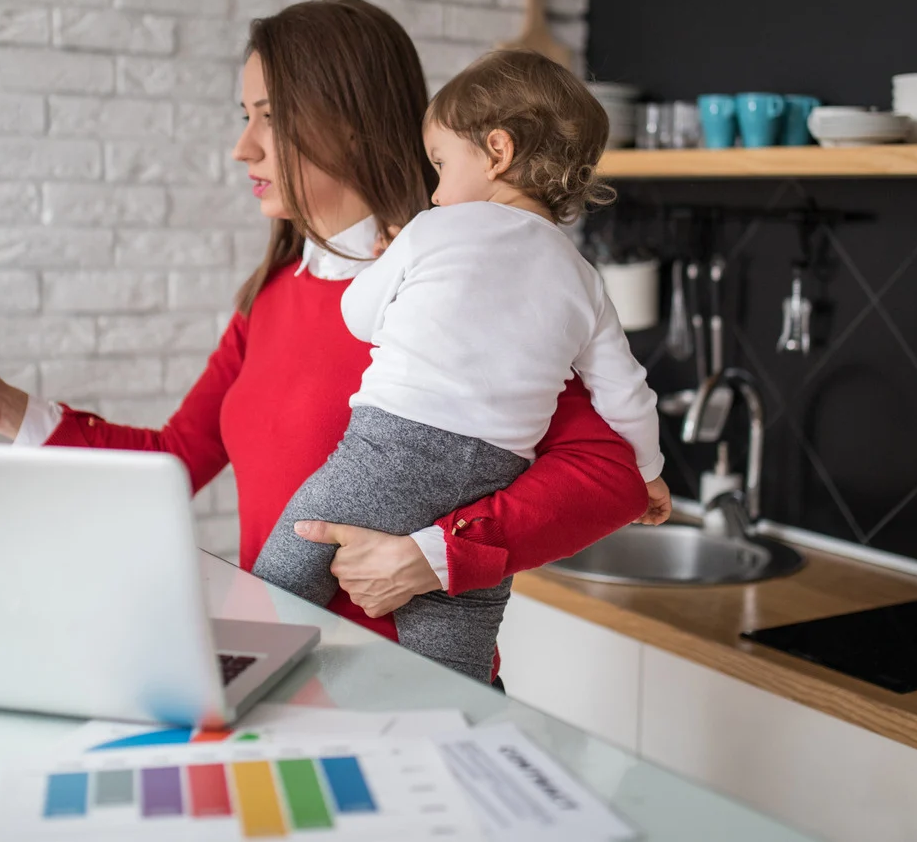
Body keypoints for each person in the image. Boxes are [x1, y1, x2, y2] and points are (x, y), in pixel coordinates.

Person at [0, 0, 664, 682]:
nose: (241, 147)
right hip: (277, 682)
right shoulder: (272, 295)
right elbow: (173, 460)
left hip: (396, 696)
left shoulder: (463, 299)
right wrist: (5, 411)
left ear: (348, 122)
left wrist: (437, 556)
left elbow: (612, 475)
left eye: (268, 116)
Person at [251, 49, 666, 682]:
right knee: (455, 657)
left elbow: (357, 315)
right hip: (492, 477)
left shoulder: (432, 230)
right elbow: (625, 392)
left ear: (497, 151)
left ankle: (239, 670)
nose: (438, 188)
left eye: (442, 165)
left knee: (291, 558)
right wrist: (649, 472)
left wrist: (401, 286)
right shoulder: (583, 279)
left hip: (391, 451)